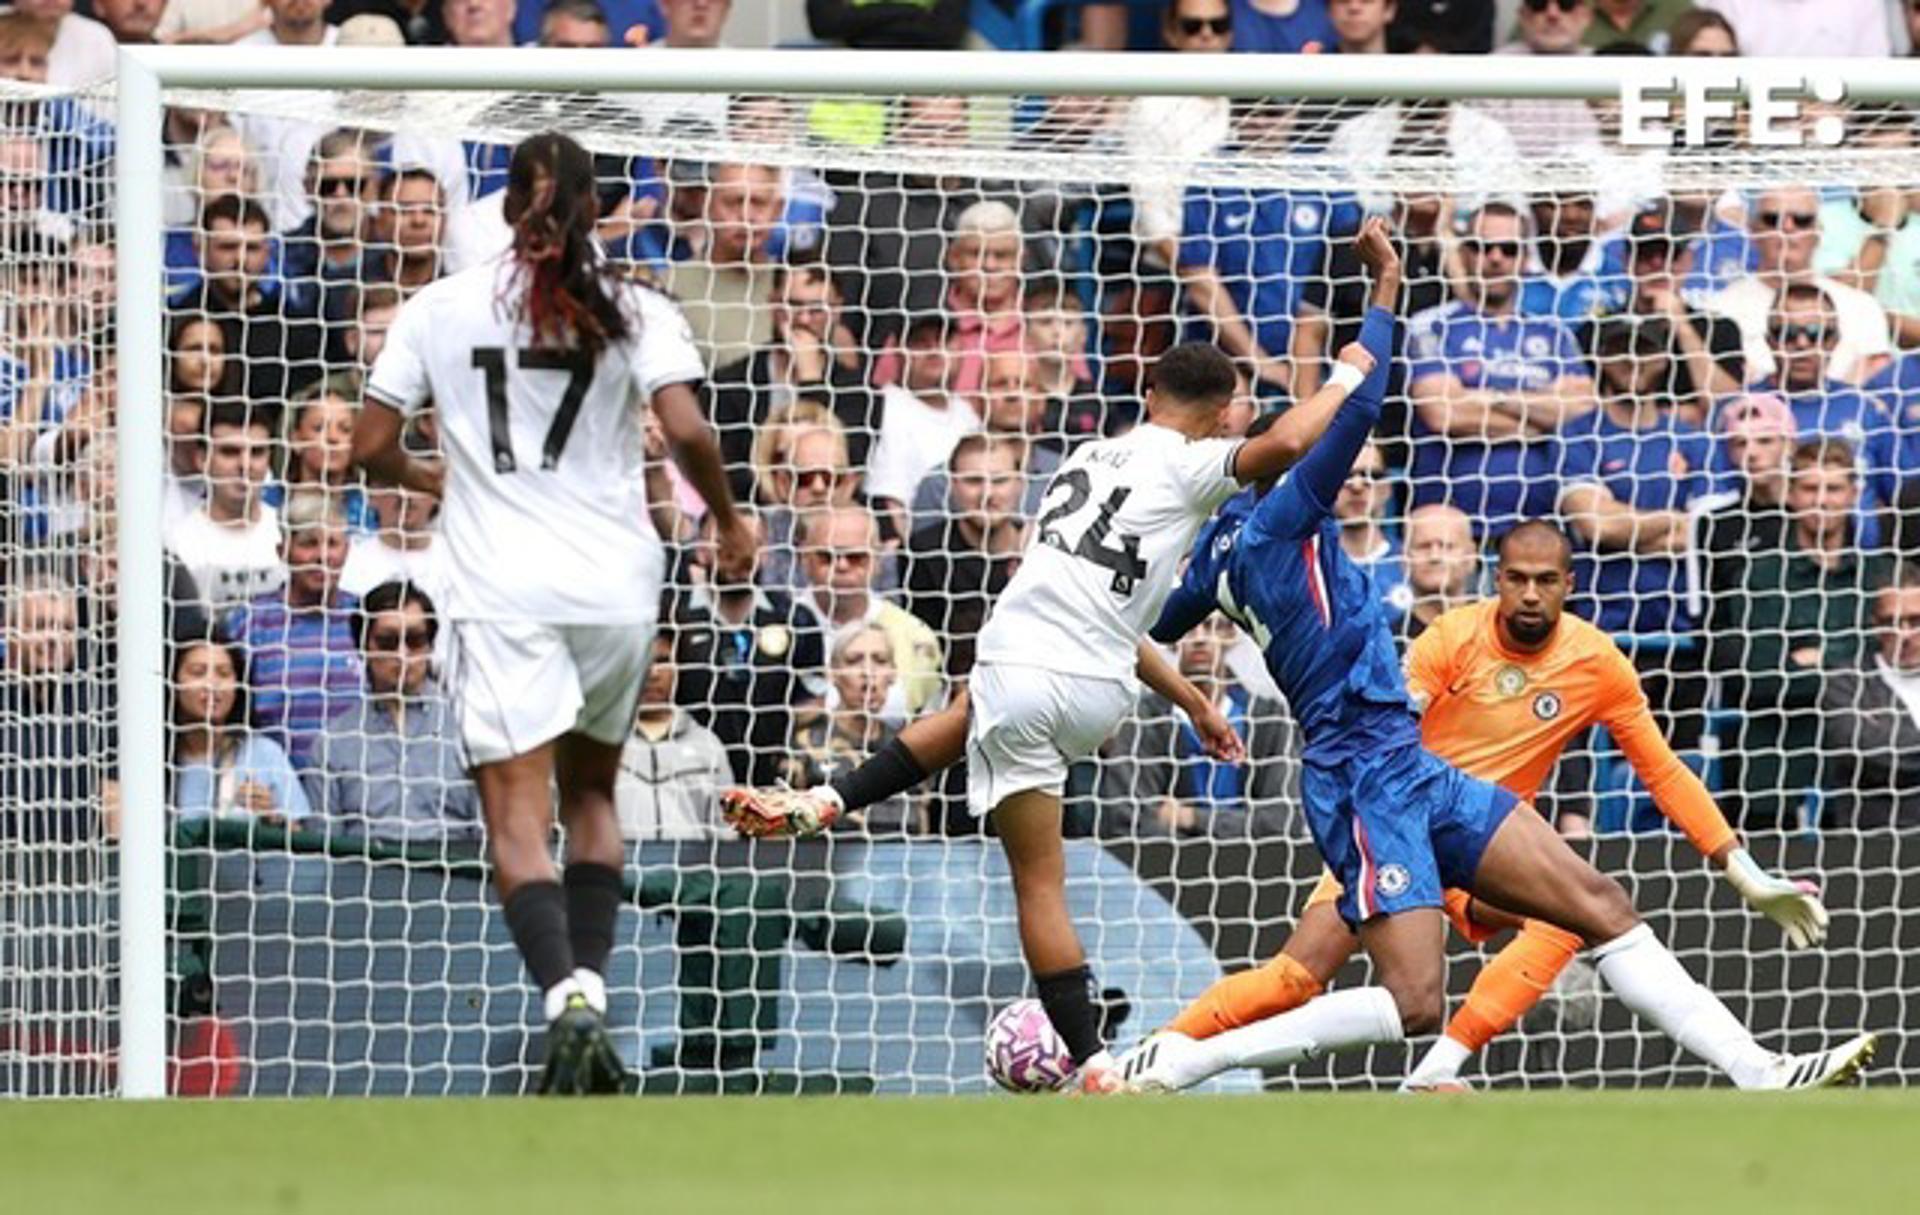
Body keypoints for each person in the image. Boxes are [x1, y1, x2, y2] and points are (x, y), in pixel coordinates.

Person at [728, 219, 1408, 1092]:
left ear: (1150, 394)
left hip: (1020, 662)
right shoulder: (1196, 465)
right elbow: (1282, 447)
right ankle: (828, 799)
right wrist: (1350, 366)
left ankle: (1090, 1061)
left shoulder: (1083, 458)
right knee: (975, 724)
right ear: (1224, 408)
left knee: (1034, 880)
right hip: (1096, 689)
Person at [1157, 520, 1836, 1090]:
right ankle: (1156, 1054)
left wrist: (1743, 869)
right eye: (1518, 578)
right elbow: (1382, 736)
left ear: (1570, 585)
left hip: (1486, 846)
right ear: (1497, 577)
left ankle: (1755, 1067)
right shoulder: (1452, 638)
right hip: (1394, 826)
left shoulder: (1598, 664)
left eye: (1547, 581)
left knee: (1590, 910)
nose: (1532, 594)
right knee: (1293, 977)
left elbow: (1663, 770)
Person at [353, 130, 752, 1095]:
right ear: (597, 209)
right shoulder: (640, 307)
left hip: (500, 590)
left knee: (518, 819)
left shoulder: (437, 308)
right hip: (617, 585)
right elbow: (689, 428)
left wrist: (422, 472)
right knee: (593, 799)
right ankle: (596, 989)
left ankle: (564, 992)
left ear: (500, 209)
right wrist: (733, 521)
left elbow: (367, 442)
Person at [1705, 439, 1892, 828]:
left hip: (1867, 777)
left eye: (1834, 488)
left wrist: (1813, 658)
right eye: (1810, 488)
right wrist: (1850, 662)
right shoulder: (1759, 574)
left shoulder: (1880, 576)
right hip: (1776, 779)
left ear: (1854, 494)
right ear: (1791, 494)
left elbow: (1890, 672)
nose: (1822, 500)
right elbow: (1762, 677)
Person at [1405, 201, 1596, 535]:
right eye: (1482, 247)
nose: (1495, 258)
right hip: (1455, 536)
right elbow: (1443, 414)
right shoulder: (1430, 326)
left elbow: (1580, 413)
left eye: (1508, 249)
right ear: (1465, 254)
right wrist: (1542, 416)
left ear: (1524, 259)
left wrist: (1488, 397)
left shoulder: (1554, 332)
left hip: (1542, 531)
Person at [1098, 612, 1300, 840]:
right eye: (1188, 628)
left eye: (1209, 625)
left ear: (1231, 634)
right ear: (1171, 636)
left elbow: (1284, 820)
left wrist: (1191, 817)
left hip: (1259, 870)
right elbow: (1124, 819)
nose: (1199, 638)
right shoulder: (1145, 720)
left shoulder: (1269, 719)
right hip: (1160, 871)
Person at [308, 581, 480, 842]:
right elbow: (324, 844)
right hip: (362, 876)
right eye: (388, 641)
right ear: (363, 647)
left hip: (455, 873)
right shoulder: (333, 741)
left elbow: (489, 836)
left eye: (415, 640)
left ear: (431, 645)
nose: (402, 654)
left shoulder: (469, 724)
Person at [223, 489, 364, 769]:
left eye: (333, 543)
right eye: (308, 543)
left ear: (347, 550)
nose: (322, 556)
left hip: (356, 788)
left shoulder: (366, 618)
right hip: (275, 791)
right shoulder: (248, 623)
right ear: (283, 551)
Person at [783, 625, 924, 835]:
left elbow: (923, 825)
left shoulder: (910, 746)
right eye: (853, 660)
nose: (868, 673)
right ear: (832, 673)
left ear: (894, 673)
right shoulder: (804, 745)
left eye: (880, 660)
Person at [169, 634, 312, 825]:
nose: (212, 684)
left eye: (224, 673)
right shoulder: (153, 758)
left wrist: (273, 817)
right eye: (198, 672)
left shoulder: (264, 753)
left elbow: (302, 840)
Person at [164, 401, 286, 620]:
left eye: (257, 452)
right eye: (230, 452)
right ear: (202, 459)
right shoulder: (176, 542)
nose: (245, 464)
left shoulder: (292, 533)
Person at [1821, 564, 1920, 829]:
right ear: (1874, 625)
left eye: (1916, 621)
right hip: (1878, 837)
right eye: (1892, 622)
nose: (1904, 634)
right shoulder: (1847, 682)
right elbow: (1867, 757)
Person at [614, 630, 733, 840]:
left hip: (691, 872)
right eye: (642, 661)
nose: (653, 673)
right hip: (619, 870)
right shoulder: (599, 744)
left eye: (662, 661)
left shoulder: (707, 745)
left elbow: (725, 831)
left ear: (679, 667)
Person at [1397, 503, 1480, 640]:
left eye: (1447, 546)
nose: (1435, 556)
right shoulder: (1389, 643)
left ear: (1471, 557)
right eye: (1423, 546)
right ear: (1404, 560)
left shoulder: (1499, 633)